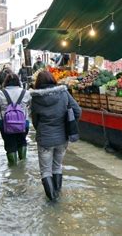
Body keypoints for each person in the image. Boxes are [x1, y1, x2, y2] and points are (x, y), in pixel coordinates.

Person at [30, 71, 81, 201]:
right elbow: (77, 111)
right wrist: (69, 124)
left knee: (46, 171)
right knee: (57, 166)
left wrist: (41, 130)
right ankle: (57, 194)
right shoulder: (63, 93)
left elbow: (35, 121)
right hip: (62, 137)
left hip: (44, 138)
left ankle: (52, 200)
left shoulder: (35, 98)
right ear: (53, 79)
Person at [0, 73, 31, 166]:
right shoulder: (26, 93)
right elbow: (33, 105)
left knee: (9, 144)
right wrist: (26, 112)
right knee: (22, 141)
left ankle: (13, 169)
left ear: (5, 82)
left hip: (4, 122)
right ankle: (22, 166)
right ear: (18, 82)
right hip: (23, 121)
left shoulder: (0, 93)